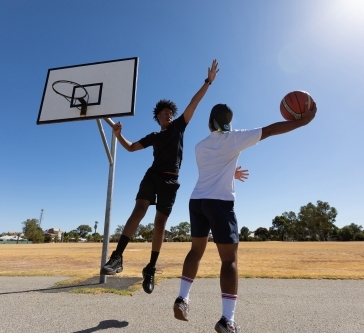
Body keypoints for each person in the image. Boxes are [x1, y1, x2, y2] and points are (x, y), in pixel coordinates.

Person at [173, 102, 317, 332]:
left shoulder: (200, 146)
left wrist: (232, 171)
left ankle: (182, 298)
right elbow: (269, 130)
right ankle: (227, 319)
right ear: (228, 123)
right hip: (219, 203)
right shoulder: (235, 138)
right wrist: (302, 121)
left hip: (197, 201)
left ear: (210, 123)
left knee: (195, 251)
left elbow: (215, 168)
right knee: (229, 260)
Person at [100, 59, 219, 294]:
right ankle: (117, 257)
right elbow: (132, 147)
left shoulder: (179, 128)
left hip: (171, 181)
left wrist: (208, 82)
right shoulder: (155, 135)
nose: (168, 115)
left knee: (160, 223)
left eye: (170, 113)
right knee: (139, 211)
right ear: (158, 118)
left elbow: (194, 103)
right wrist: (117, 135)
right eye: (164, 113)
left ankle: (151, 268)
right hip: (152, 176)